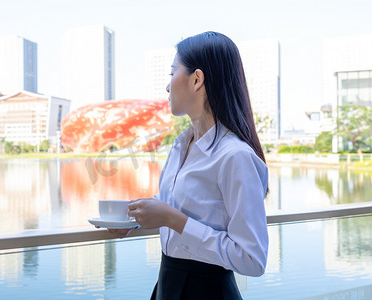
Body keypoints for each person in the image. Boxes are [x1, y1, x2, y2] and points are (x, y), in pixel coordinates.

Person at [109, 31, 269, 300]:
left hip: (207, 292)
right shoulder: (180, 145)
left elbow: (252, 259)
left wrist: (173, 220)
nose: (168, 86)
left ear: (197, 79)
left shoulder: (234, 156)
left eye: (172, 72)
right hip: (167, 286)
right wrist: (134, 217)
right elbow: (182, 205)